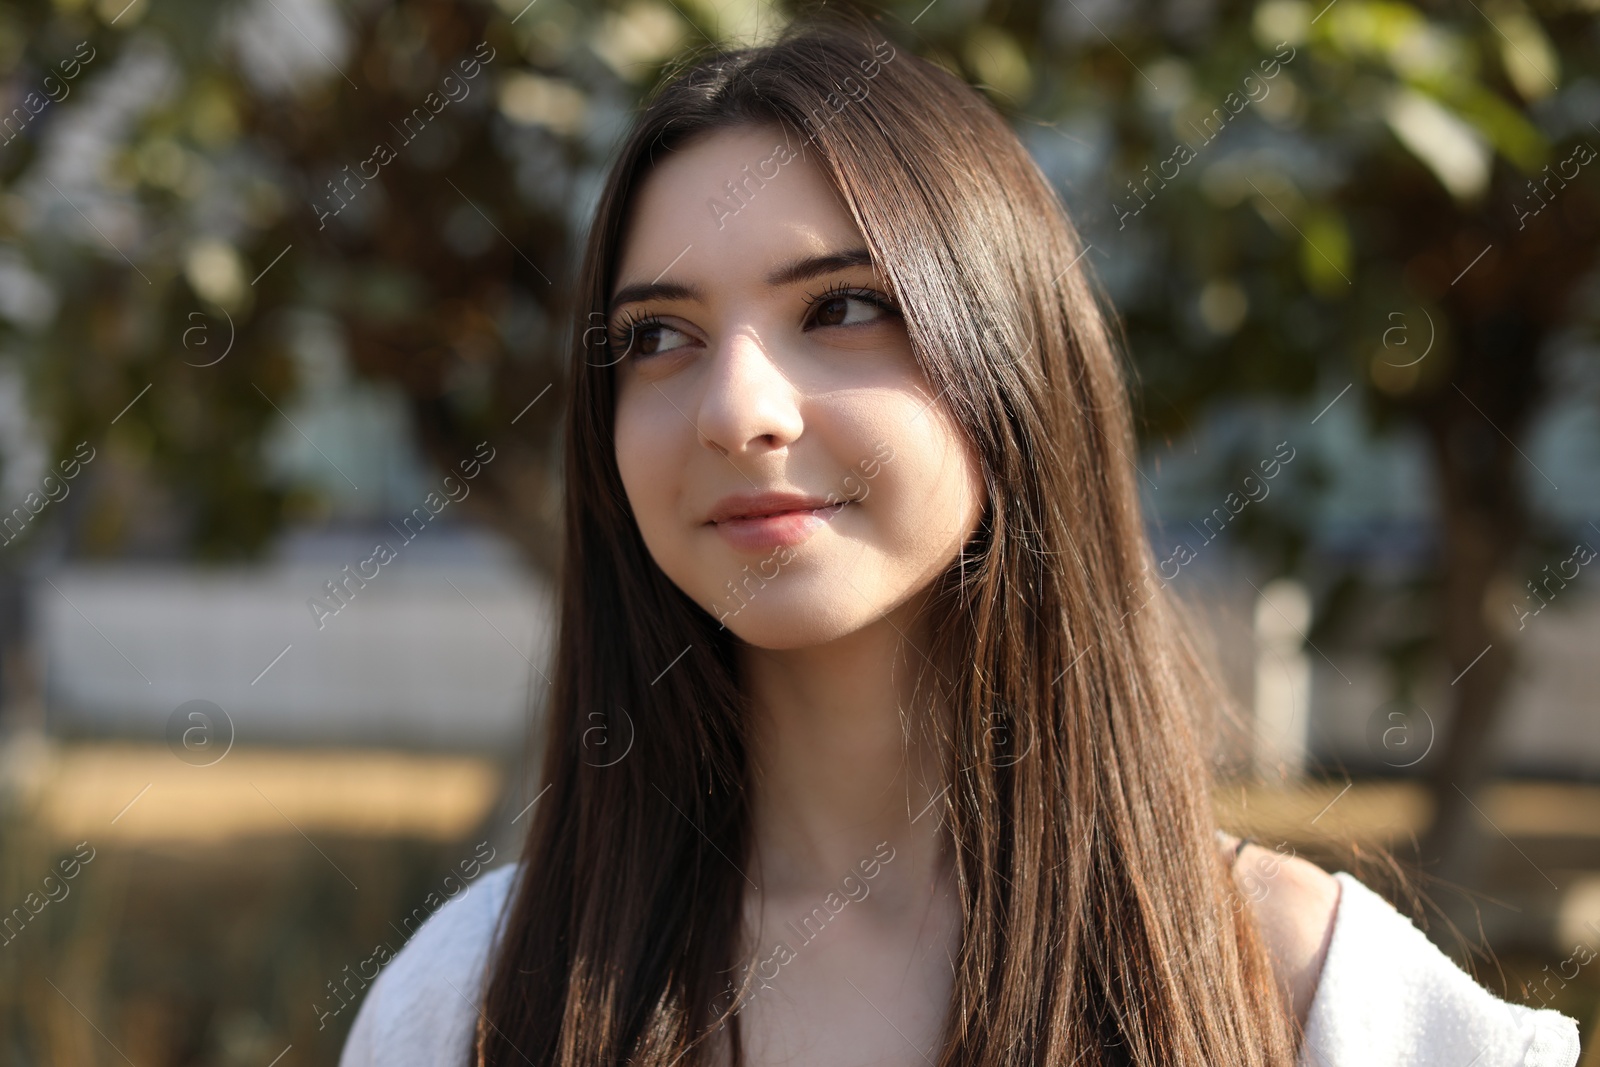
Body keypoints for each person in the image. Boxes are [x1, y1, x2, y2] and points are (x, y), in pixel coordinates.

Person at [338, 16, 1583, 1067]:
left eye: (843, 307)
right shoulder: (469, 1007)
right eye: (658, 335)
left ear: (1013, 368)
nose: (735, 409)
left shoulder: (1323, 1001)